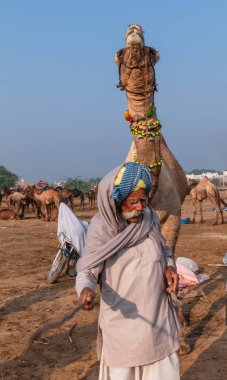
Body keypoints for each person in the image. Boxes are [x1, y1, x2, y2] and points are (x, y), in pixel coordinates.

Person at [76, 162, 180, 380]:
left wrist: (169, 265)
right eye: (133, 201)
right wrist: (85, 289)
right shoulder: (102, 228)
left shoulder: (149, 218)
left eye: (143, 200)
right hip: (124, 322)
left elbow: (163, 247)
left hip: (157, 317)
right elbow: (88, 269)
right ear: (116, 200)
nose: (140, 207)